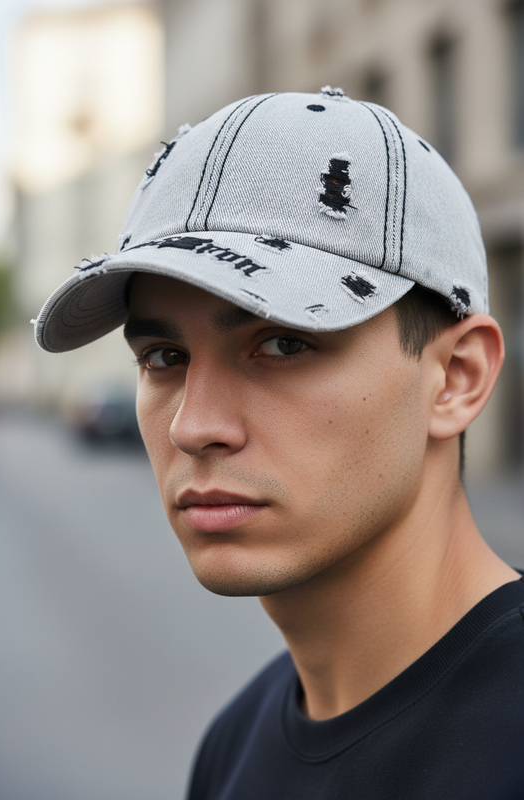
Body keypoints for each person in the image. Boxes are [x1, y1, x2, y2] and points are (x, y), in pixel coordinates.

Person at [34, 88, 524, 799]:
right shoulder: (234, 745)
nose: (193, 426)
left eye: (283, 342)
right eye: (164, 357)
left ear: (454, 377)